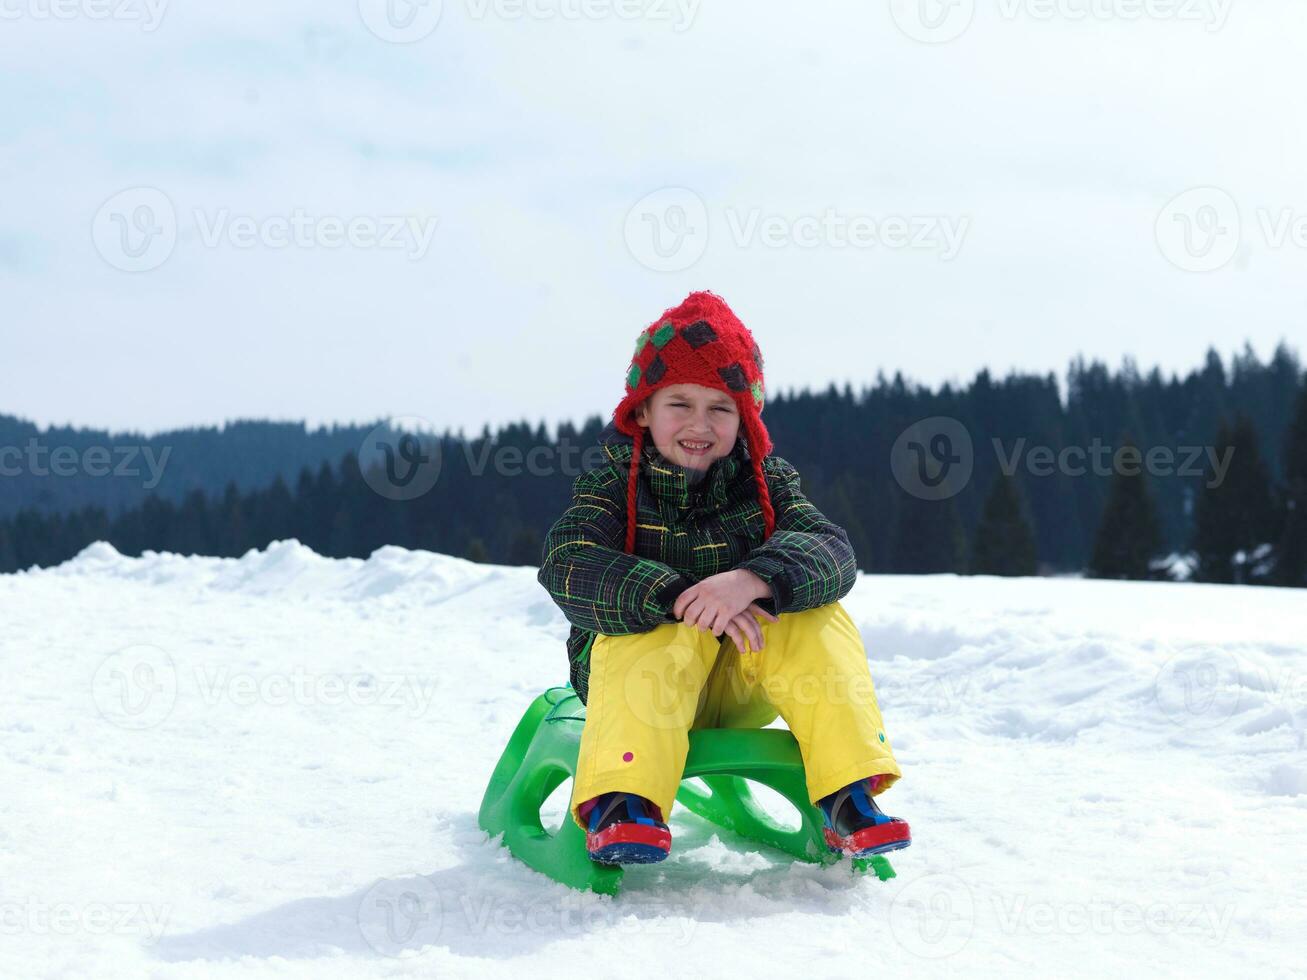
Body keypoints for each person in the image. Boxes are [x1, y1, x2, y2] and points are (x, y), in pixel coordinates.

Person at [536, 290, 909, 865]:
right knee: (655, 633)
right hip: (640, 688)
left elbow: (832, 550)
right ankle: (625, 802)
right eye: (679, 404)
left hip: (740, 681)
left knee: (814, 614)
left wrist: (752, 580)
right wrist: (676, 596)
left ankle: (847, 795)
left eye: (720, 408)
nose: (699, 424)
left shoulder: (767, 482)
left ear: (745, 419)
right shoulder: (613, 481)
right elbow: (569, 558)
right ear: (642, 410)